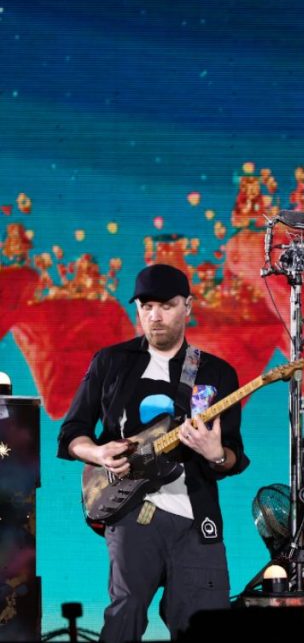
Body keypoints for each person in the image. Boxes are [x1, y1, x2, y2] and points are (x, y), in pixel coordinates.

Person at [57, 263, 249, 642]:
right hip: (132, 512)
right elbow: (71, 434)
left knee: (206, 626)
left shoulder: (216, 373)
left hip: (196, 517)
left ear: (187, 307)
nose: (155, 316)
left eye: (166, 305)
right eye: (146, 307)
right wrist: (98, 453)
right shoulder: (111, 362)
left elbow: (233, 456)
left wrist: (215, 454)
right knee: (125, 616)